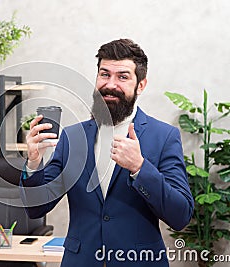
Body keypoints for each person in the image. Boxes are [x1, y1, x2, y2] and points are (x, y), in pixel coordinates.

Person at [20, 39, 194, 267]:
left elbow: (180, 215)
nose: (111, 84)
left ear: (141, 85)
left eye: (122, 76)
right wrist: (34, 163)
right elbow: (36, 209)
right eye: (104, 74)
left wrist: (140, 168)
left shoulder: (164, 136)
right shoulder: (73, 138)